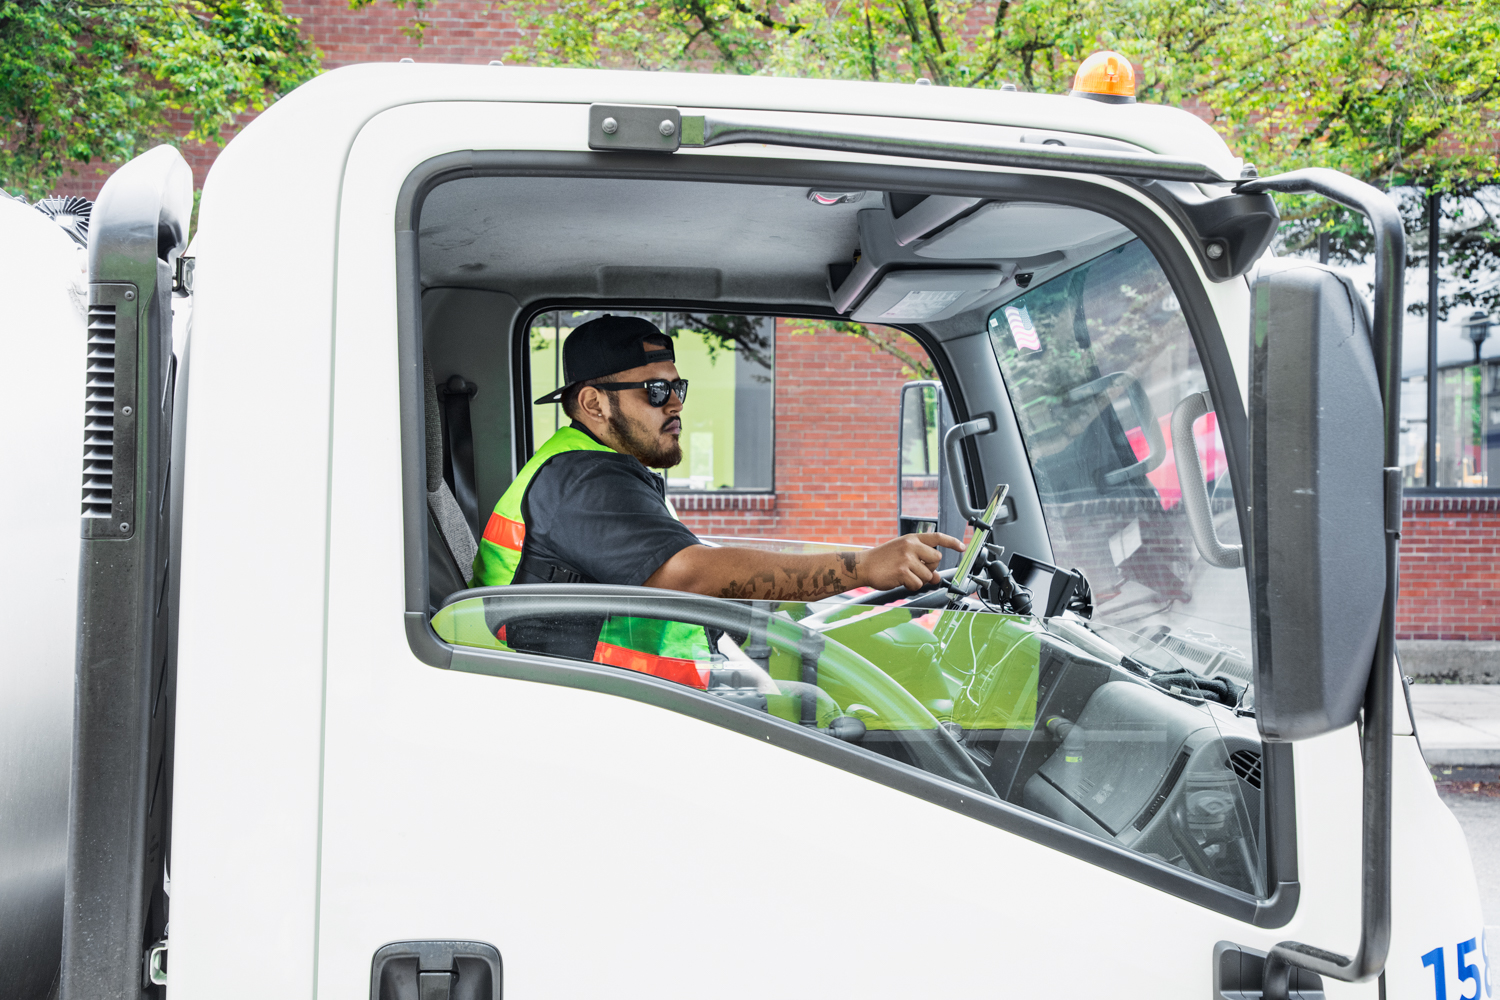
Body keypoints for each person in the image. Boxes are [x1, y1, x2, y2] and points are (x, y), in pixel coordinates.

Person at [470, 313, 963, 683]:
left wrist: (775, 609)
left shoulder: (598, 467)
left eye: (677, 385)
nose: (677, 401)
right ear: (594, 403)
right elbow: (689, 573)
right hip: (588, 709)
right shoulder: (585, 479)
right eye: (656, 390)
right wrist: (861, 568)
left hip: (615, 695)